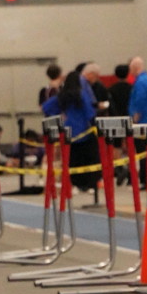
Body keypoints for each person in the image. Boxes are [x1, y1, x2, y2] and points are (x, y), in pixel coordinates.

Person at [42, 69, 99, 202]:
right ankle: (86, 184)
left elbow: (46, 107)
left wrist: (58, 115)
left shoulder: (62, 95)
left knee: (69, 160)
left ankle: (72, 183)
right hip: (83, 132)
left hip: (67, 132)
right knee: (87, 159)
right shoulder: (82, 94)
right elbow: (90, 112)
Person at [128, 56, 147, 184]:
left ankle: (144, 179)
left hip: (141, 122)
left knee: (142, 152)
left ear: (135, 68)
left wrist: (135, 114)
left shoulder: (140, 82)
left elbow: (139, 99)